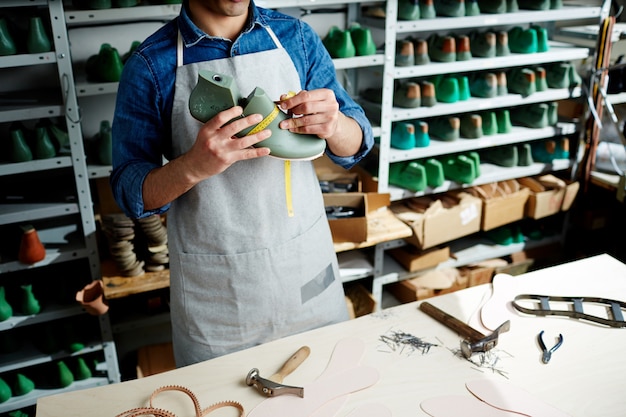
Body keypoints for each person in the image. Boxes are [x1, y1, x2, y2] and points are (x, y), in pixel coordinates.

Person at [110, 0, 374, 367]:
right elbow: (130, 192)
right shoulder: (151, 65)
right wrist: (192, 166)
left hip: (306, 272)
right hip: (219, 299)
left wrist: (334, 126)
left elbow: (358, 143)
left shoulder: (294, 37)